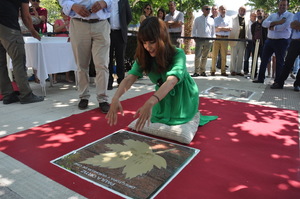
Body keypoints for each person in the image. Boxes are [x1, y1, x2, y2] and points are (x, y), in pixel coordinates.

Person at [106, 17, 216, 131]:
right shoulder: (144, 56)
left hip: (184, 95)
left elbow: (171, 81)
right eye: (144, 42)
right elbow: (129, 78)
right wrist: (115, 98)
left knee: (175, 125)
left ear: (162, 37)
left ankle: (193, 114)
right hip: (161, 95)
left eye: (152, 41)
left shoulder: (178, 54)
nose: (148, 47)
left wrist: (150, 102)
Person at [59, 0, 111, 113]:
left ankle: (102, 98)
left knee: (102, 64)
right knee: (81, 64)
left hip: (101, 23)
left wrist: (105, 2)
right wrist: (73, 5)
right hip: (78, 23)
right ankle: (83, 96)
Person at [0, 0, 44, 104]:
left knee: (1, 64)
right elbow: (26, 16)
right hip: (9, 27)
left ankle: (8, 94)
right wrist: (33, 31)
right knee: (18, 61)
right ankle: (26, 95)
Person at [253, 0, 294, 84]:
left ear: (287, 6)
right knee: (264, 60)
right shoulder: (273, 15)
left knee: (279, 62)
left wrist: (272, 27)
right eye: (280, 5)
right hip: (270, 40)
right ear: (278, 5)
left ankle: (278, 81)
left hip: (282, 41)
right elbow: (264, 24)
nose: (282, 6)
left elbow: (284, 27)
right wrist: (278, 22)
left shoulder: (290, 15)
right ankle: (260, 78)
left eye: (284, 5)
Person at [270, 11, 300, 91]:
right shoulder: (297, 14)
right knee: (288, 63)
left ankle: (297, 84)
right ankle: (280, 83)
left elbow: (296, 25)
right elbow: (292, 25)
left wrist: (298, 24)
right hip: (295, 42)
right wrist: (295, 24)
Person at [107, 0, 132, 90]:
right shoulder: (106, 1)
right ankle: (108, 82)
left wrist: (123, 26)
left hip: (120, 33)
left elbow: (129, 16)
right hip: (108, 33)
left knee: (120, 58)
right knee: (108, 59)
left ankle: (121, 82)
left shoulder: (123, 1)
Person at [191, 5, 215, 77]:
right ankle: (196, 71)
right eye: (207, 9)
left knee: (205, 56)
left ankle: (203, 71)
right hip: (199, 39)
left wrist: (213, 38)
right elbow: (194, 29)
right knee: (197, 56)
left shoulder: (211, 20)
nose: (208, 10)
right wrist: (194, 37)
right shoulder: (198, 19)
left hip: (208, 39)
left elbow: (213, 30)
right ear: (203, 10)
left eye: (209, 9)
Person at [210, 5, 232, 76]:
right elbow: (215, 29)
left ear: (226, 10)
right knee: (214, 55)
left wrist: (220, 28)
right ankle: (213, 70)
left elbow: (230, 28)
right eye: (221, 9)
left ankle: (223, 71)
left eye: (224, 9)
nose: (223, 10)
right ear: (219, 10)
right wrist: (224, 28)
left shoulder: (229, 19)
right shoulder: (215, 19)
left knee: (223, 55)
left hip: (225, 38)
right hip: (217, 38)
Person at [53, 9, 73, 84]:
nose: (65, 14)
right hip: (59, 41)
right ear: (61, 14)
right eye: (63, 13)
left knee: (67, 59)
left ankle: (67, 77)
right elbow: (56, 30)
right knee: (57, 59)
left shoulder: (72, 21)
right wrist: (65, 24)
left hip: (68, 41)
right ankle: (54, 78)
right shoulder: (58, 21)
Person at [229, 6, 248, 76]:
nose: (242, 12)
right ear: (239, 10)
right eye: (241, 10)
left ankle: (239, 71)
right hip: (235, 39)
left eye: (244, 11)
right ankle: (233, 70)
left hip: (243, 41)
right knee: (233, 56)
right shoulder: (233, 18)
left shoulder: (247, 19)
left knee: (241, 56)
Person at [251, 9, 268, 78]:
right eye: (258, 13)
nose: (259, 15)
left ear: (263, 14)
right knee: (254, 59)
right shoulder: (253, 25)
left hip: (263, 44)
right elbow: (253, 34)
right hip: (255, 44)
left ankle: (262, 75)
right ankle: (253, 73)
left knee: (263, 60)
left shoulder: (265, 24)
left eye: (260, 13)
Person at [243, 11, 257, 76]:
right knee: (246, 57)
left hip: (255, 42)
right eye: (253, 16)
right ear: (250, 16)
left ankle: (253, 71)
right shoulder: (247, 23)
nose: (254, 17)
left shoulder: (257, 24)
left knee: (254, 58)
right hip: (248, 41)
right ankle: (245, 70)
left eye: (255, 16)